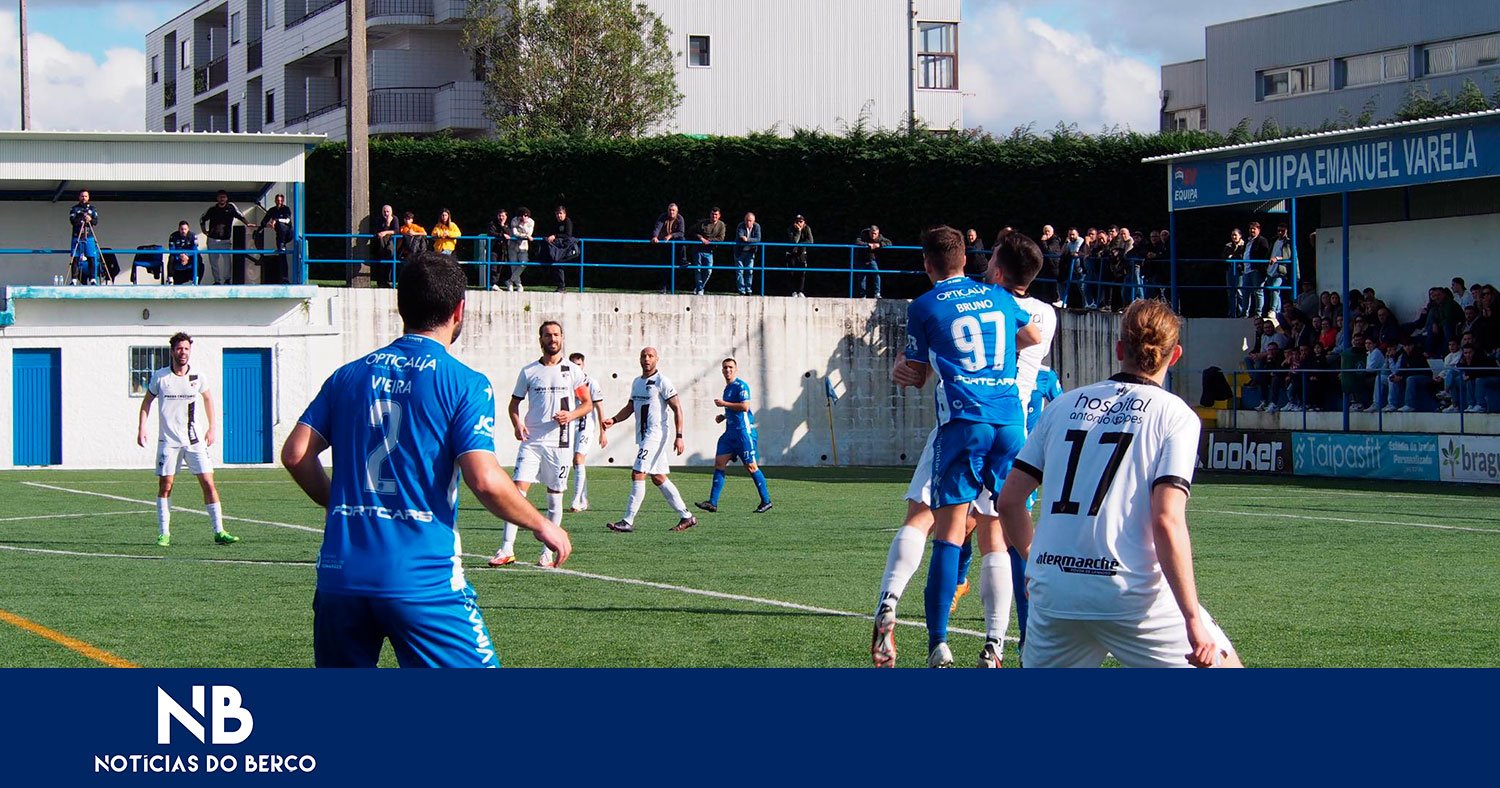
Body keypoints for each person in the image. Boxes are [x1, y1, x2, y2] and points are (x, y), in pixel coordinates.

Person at [280, 252, 571, 668]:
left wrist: (339, 505)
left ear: (401, 307)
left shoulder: (348, 375)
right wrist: (543, 524)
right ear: (459, 310)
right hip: (421, 579)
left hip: (340, 575)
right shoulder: (464, 383)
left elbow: (295, 455)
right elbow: (484, 480)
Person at [995, 299, 1243, 669]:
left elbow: (1010, 501)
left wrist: (1036, 564)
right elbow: (1166, 519)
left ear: (1119, 349)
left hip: (1055, 589)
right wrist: (1192, 618)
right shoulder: (1175, 415)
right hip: (1130, 594)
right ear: (1174, 355)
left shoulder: (1062, 407)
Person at [887, 227, 1039, 668]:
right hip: (1012, 421)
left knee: (947, 530)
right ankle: (1023, 640)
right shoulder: (1004, 299)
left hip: (964, 420)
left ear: (926, 264)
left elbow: (915, 374)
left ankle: (938, 643)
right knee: (1011, 534)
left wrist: (908, 369)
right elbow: (1030, 339)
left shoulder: (926, 304)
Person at [487, 321, 592, 568]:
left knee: (555, 497)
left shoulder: (573, 371)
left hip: (561, 444)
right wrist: (517, 424)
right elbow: (514, 405)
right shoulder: (529, 371)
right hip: (532, 442)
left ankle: (547, 551)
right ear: (540, 339)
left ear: (562, 338)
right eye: (548, 335)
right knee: (515, 493)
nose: (552, 339)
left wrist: (570, 416)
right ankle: (506, 549)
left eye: (556, 334)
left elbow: (586, 404)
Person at [136, 332, 237, 547]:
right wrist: (142, 428)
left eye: (186, 349)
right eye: (179, 349)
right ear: (172, 351)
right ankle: (164, 534)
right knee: (166, 486)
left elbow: (208, 399)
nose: (183, 353)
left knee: (208, 483)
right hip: (168, 441)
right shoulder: (161, 377)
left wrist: (212, 428)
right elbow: (146, 403)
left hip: (194, 440)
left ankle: (219, 531)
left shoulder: (198, 376)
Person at [602, 347, 696, 533]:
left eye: (650, 356)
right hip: (644, 435)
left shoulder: (662, 381)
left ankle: (628, 520)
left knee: (638, 473)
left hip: (656, 434)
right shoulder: (637, 382)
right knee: (658, 477)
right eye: (643, 356)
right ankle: (687, 516)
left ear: (656, 359)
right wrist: (614, 420)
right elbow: (630, 407)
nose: (646, 359)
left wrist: (679, 436)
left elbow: (677, 408)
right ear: (639, 359)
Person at [694, 358, 773, 515]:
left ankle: (766, 501)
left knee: (751, 467)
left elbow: (745, 406)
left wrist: (724, 404)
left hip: (744, 433)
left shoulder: (741, 386)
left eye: (730, 367)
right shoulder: (727, 388)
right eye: (725, 368)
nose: (727, 370)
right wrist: (723, 416)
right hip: (730, 434)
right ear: (722, 370)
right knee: (719, 463)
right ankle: (712, 502)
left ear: (736, 369)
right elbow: (733, 409)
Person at [566, 352, 606, 513]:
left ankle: (576, 501)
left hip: (586, 425)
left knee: (578, 458)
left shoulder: (591, 383)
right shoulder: (566, 382)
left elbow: (599, 407)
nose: (576, 368)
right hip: (570, 425)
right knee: (576, 464)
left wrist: (603, 432)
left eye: (579, 364)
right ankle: (583, 499)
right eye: (573, 365)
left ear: (583, 365)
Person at [200, 190, 249, 285]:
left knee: (227, 261)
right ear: (217, 198)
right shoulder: (212, 209)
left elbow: (240, 216)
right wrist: (204, 231)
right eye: (220, 197)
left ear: (227, 198)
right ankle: (217, 281)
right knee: (213, 262)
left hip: (225, 240)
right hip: (212, 240)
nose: (222, 199)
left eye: (224, 197)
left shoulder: (231, 208)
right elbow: (202, 219)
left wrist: (248, 224)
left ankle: (227, 280)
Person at [69, 190, 103, 284]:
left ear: (88, 197)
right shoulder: (74, 209)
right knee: (75, 257)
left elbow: (95, 222)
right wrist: (81, 218)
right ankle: (74, 279)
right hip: (77, 236)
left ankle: (92, 278)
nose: (84, 198)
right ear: (79, 197)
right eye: (82, 196)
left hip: (89, 236)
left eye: (86, 196)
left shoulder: (92, 209)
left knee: (91, 257)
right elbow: (73, 221)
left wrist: (90, 219)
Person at [258, 193, 293, 285]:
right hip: (280, 237)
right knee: (282, 256)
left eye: (281, 201)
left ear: (283, 201)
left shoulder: (286, 209)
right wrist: (267, 224)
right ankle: (285, 279)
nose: (279, 202)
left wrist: (276, 220)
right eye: (278, 200)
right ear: (275, 201)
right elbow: (263, 222)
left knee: (280, 225)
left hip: (288, 233)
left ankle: (285, 279)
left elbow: (287, 220)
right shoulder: (272, 210)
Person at [651, 203, 686, 294]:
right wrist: (655, 237)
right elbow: (657, 228)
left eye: (673, 210)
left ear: (677, 211)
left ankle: (683, 259)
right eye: (670, 210)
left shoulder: (680, 218)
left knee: (683, 240)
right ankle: (663, 288)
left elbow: (681, 233)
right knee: (664, 266)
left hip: (675, 244)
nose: (671, 212)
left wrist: (671, 235)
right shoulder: (663, 217)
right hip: (664, 244)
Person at [691, 207, 726, 296]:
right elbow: (692, 231)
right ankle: (700, 290)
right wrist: (701, 238)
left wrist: (709, 240)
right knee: (698, 270)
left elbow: (721, 239)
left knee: (708, 271)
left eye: (716, 214)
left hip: (709, 251)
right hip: (698, 249)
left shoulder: (721, 225)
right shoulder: (703, 223)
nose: (714, 216)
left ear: (719, 216)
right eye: (712, 214)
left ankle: (699, 287)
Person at [854, 225, 890, 299]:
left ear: (878, 233)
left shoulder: (879, 237)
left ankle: (877, 293)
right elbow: (857, 241)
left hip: (871, 259)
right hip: (860, 259)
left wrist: (879, 244)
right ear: (869, 232)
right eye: (872, 233)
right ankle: (862, 295)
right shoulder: (864, 235)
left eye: (875, 234)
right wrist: (867, 244)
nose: (873, 235)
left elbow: (889, 242)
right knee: (861, 277)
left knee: (876, 275)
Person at [543, 205, 574, 293]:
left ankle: (562, 286)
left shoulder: (567, 221)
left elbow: (568, 235)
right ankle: (560, 286)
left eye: (560, 213)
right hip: (558, 248)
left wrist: (555, 236)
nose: (559, 215)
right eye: (557, 214)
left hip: (567, 249)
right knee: (556, 263)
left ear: (564, 214)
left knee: (559, 264)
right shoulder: (555, 223)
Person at [504, 207, 535, 292]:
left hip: (523, 246)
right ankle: (518, 285)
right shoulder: (514, 220)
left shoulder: (531, 222)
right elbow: (515, 233)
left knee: (523, 263)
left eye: (526, 216)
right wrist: (526, 235)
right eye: (522, 216)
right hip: (512, 246)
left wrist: (522, 227)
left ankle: (510, 281)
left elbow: (530, 233)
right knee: (513, 266)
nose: (524, 217)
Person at [370, 204, 399, 288]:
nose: (386, 213)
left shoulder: (395, 219)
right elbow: (376, 230)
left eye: (388, 211)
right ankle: (380, 282)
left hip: (390, 244)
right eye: (384, 211)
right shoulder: (379, 219)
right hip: (380, 245)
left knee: (389, 262)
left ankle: (387, 281)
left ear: (391, 212)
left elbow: (396, 231)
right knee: (380, 263)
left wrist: (386, 231)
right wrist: (386, 226)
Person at [734, 212, 762, 295]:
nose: (748, 222)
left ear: (754, 221)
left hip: (750, 252)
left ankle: (748, 289)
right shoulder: (741, 225)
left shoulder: (757, 226)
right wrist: (747, 239)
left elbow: (758, 239)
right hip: (739, 251)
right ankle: (741, 290)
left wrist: (748, 240)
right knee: (740, 271)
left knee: (749, 271)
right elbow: (740, 236)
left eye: (750, 221)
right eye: (747, 220)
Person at [786, 215, 814, 297]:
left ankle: (800, 291)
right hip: (792, 253)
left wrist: (801, 244)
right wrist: (798, 231)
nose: (799, 223)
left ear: (804, 222)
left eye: (801, 221)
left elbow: (811, 241)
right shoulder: (790, 229)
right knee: (792, 273)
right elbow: (794, 241)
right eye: (797, 221)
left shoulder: (807, 228)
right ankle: (793, 291)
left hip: (802, 253)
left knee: (802, 273)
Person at [167, 221, 201, 285]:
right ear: (179, 229)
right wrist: (180, 255)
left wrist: (187, 255)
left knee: (198, 257)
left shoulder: (193, 236)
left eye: (185, 229)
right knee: (171, 257)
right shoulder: (173, 236)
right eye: (182, 229)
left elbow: (195, 249)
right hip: (177, 256)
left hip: (189, 256)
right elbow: (171, 249)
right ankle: (170, 279)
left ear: (188, 229)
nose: (183, 231)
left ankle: (195, 278)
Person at [485, 208, 511, 291]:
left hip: (503, 249)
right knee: (493, 266)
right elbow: (491, 233)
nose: (501, 217)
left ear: (506, 217)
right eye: (500, 215)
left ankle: (495, 284)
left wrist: (503, 226)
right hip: (493, 248)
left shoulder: (506, 225)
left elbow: (509, 233)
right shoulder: (492, 224)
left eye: (503, 216)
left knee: (500, 267)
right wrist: (502, 235)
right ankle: (492, 284)